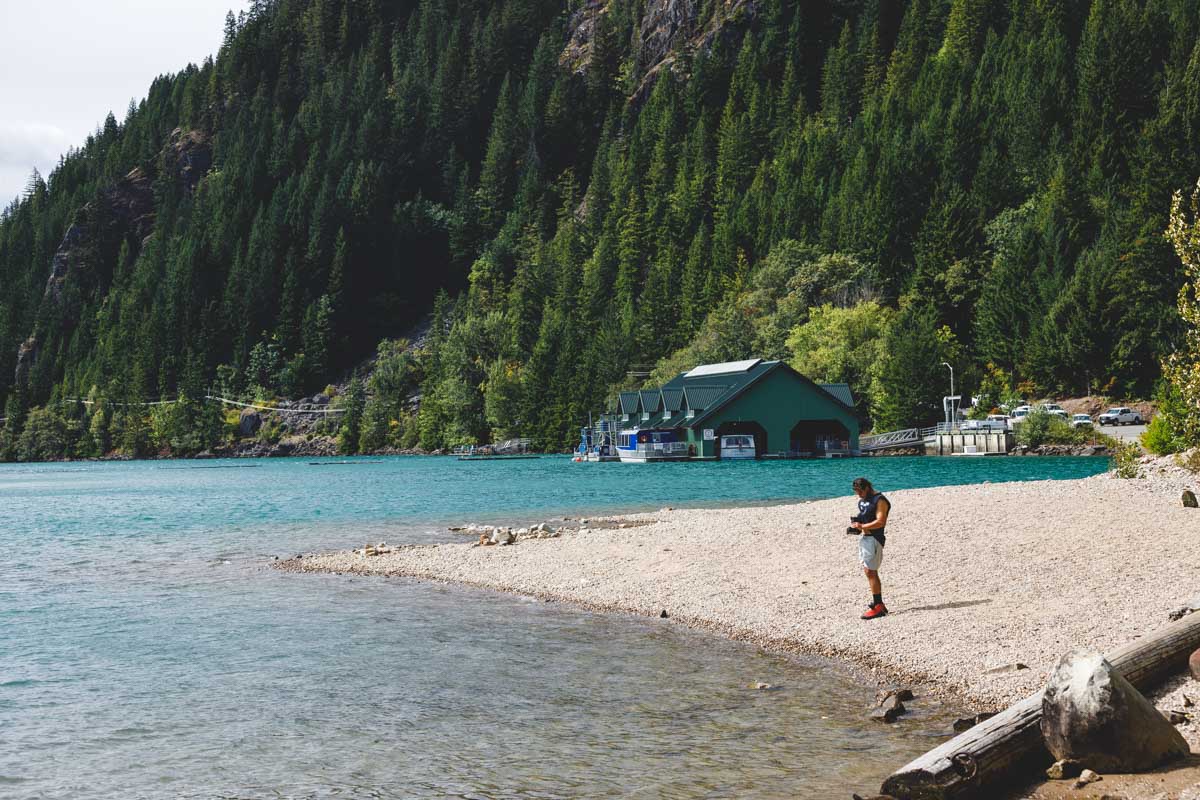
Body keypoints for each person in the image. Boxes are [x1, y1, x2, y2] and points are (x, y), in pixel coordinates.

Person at [850, 477, 890, 620]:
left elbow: (881, 521)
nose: (858, 494)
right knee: (869, 571)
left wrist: (863, 527)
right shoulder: (862, 502)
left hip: (875, 539)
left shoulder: (879, 500)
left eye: (860, 491)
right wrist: (856, 526)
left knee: (870, 571)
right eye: (856, 492)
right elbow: (864, 518)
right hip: (866, 539)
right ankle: (878, 603)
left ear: (866, 488)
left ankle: (878, 605)